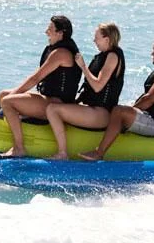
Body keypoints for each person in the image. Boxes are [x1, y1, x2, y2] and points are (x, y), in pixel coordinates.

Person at [78, 33, 154, 160]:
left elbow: (148, 100)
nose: (152, 53)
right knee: (119, 112)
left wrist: (126, 114)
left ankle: (99, 153)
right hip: (150, 119)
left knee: (118, 111)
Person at [0, 15, 82, 158]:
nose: (46, 31)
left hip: (57, 104)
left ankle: (19, 148)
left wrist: (13, 96)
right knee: (3, 95)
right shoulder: (55, 50)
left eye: (50, 29)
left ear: (60, 33)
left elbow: (35, 79)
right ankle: (21, 124)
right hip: (47, 98)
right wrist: (14, 93)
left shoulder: (61, 53)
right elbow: (36, 77)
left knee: (7, 101)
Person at [43, 22, 125, 160]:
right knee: (54, 106)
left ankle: (62, 153)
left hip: (101, 113)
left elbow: (98, 86)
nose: (94, 41)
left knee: (53, 109)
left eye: (97, 38)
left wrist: (83, 66)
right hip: (92, 109)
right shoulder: (102, 56)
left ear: (107, 39)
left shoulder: (113, 56)